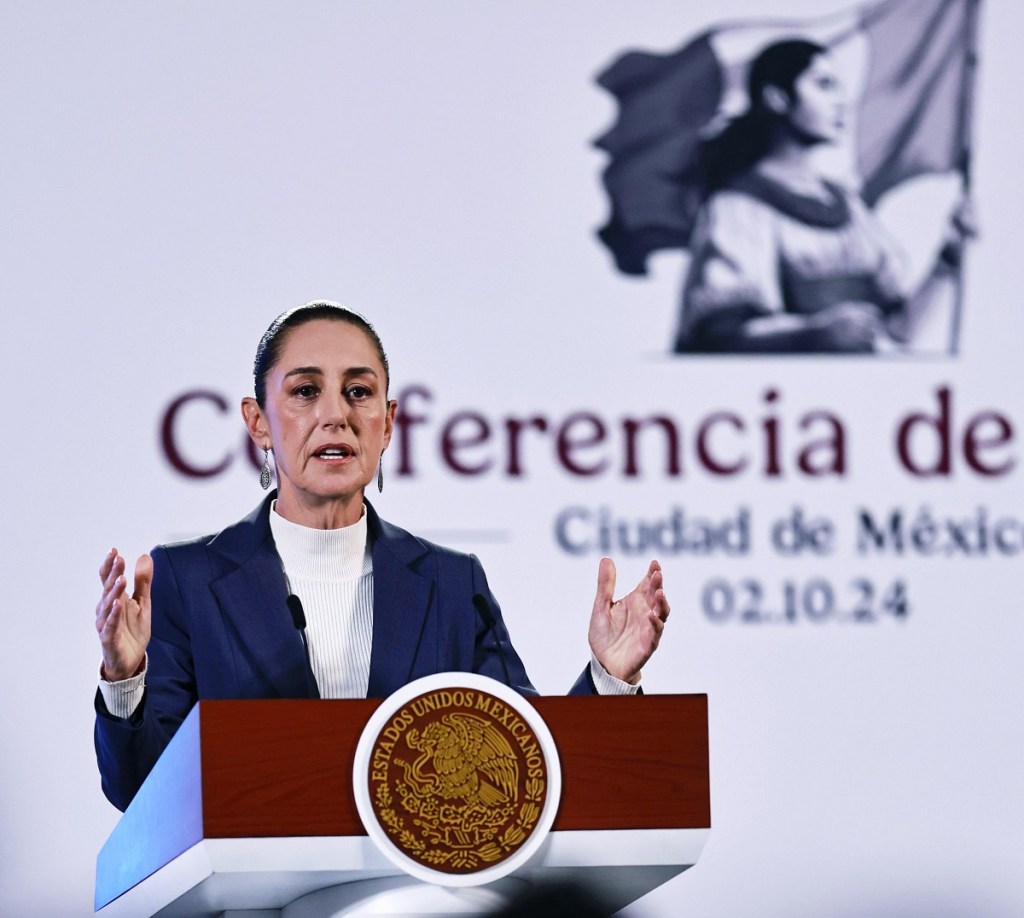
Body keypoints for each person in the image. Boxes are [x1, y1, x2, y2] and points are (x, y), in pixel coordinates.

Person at [94, 301, 671, 811]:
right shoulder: (189, 581)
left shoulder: (450, 583)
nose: (335, 415)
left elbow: (523, 762)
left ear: (388, 422)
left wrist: (608, 678)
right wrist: (126, 682)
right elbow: (140, 794)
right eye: (304, 392)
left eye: (359, 391)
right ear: (258, 422)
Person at [674, 39, 971, 354]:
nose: (841, 102)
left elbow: (899, 330)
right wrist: (811, 334)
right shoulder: (738, 206)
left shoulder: (847, 206)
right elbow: (720, 334)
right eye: (824, 85)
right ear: (777, 98)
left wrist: (948, 258)